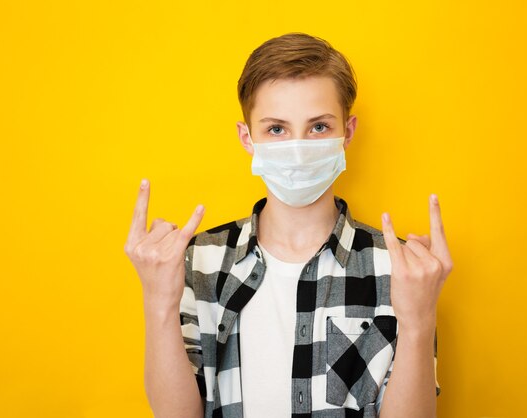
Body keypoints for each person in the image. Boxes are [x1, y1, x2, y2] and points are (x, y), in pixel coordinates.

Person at [124, 32, 453, 418]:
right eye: (276, 129)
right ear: (247, 138)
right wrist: (157, 302)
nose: (297, 148)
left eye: (318, 127)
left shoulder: (402, 270)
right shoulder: (196, 260)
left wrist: (418, 322)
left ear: (347, 132)